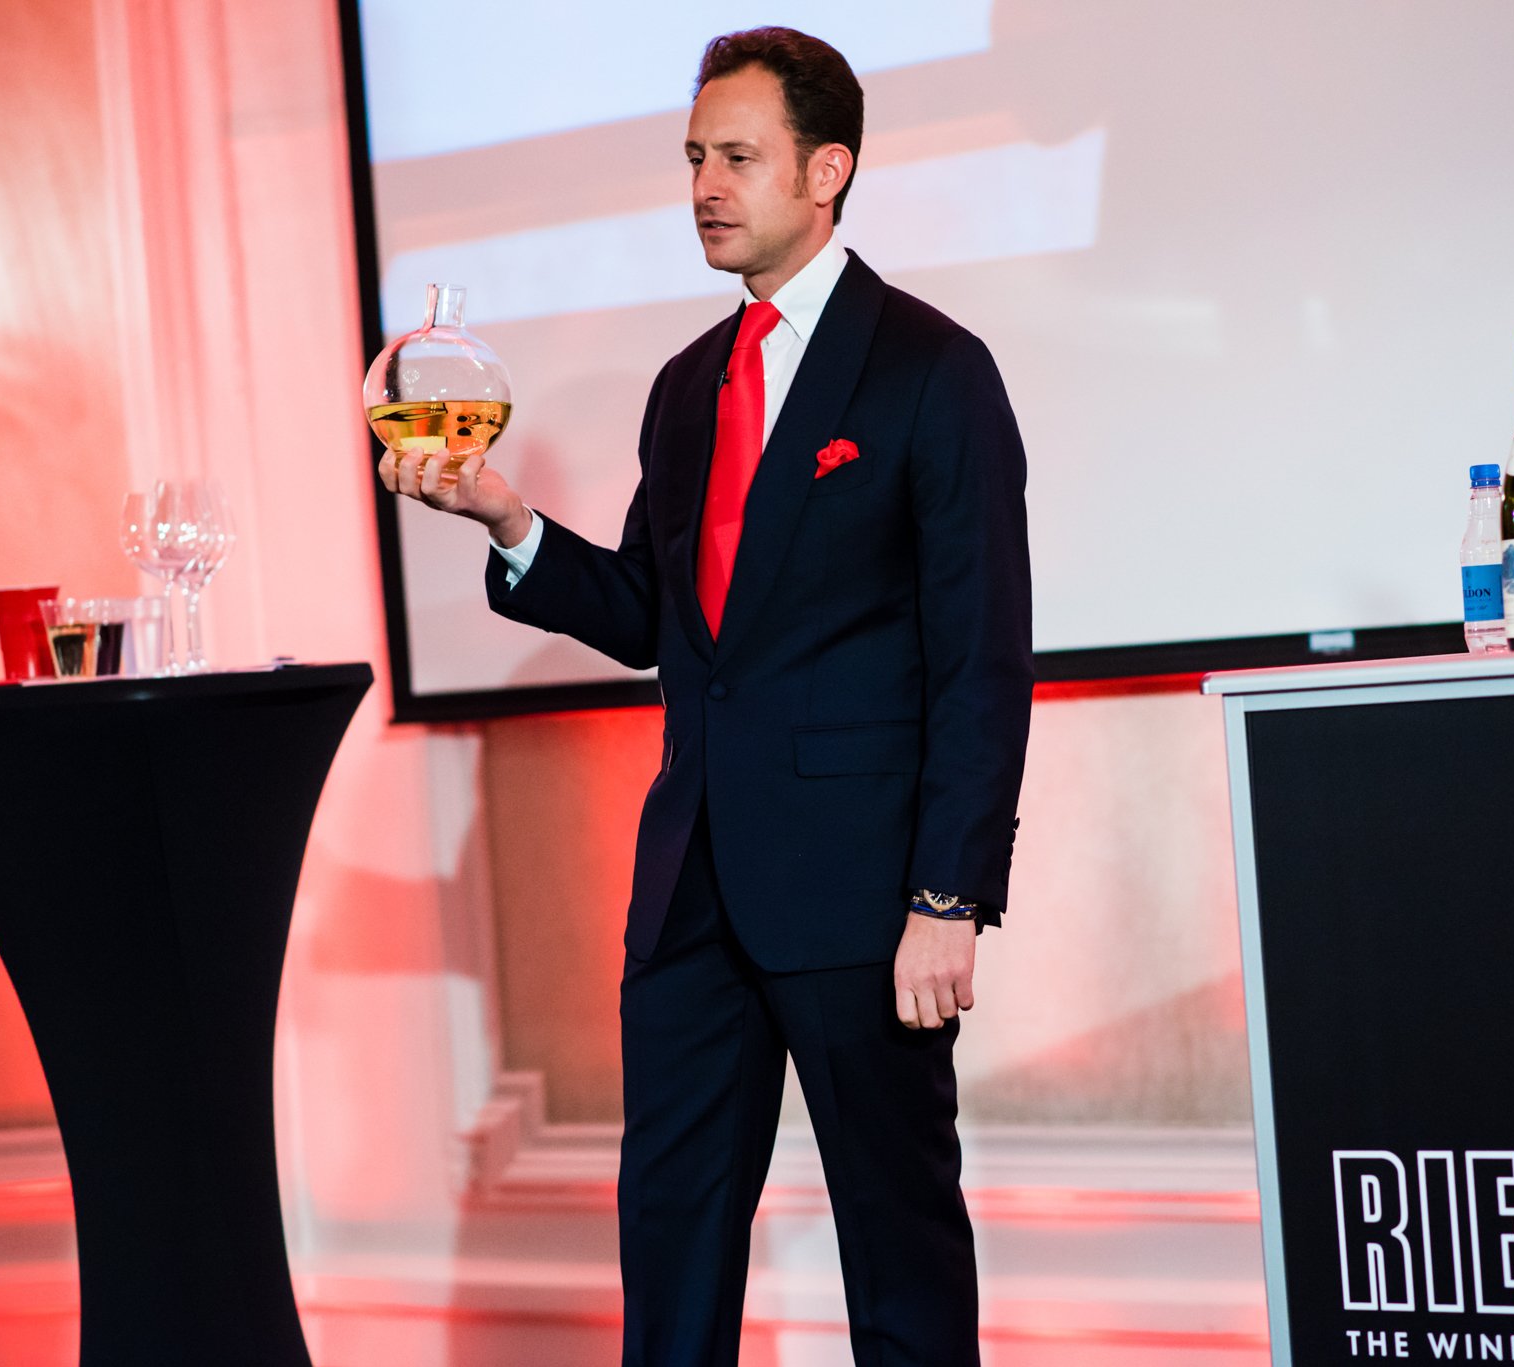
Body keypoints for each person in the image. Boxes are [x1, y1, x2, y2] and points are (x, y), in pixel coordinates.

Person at [377, 26, 1032, 1367]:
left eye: (738, 157)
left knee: (901, 1257)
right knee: (669, 1249)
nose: (705, 187)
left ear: (828, 169)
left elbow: (983, 661)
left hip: (864, 901)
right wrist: (509, 522)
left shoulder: (930, 370)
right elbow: (651, 623)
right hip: (689, 894)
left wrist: (948, 900)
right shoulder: (688, 389)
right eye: (693, 159)